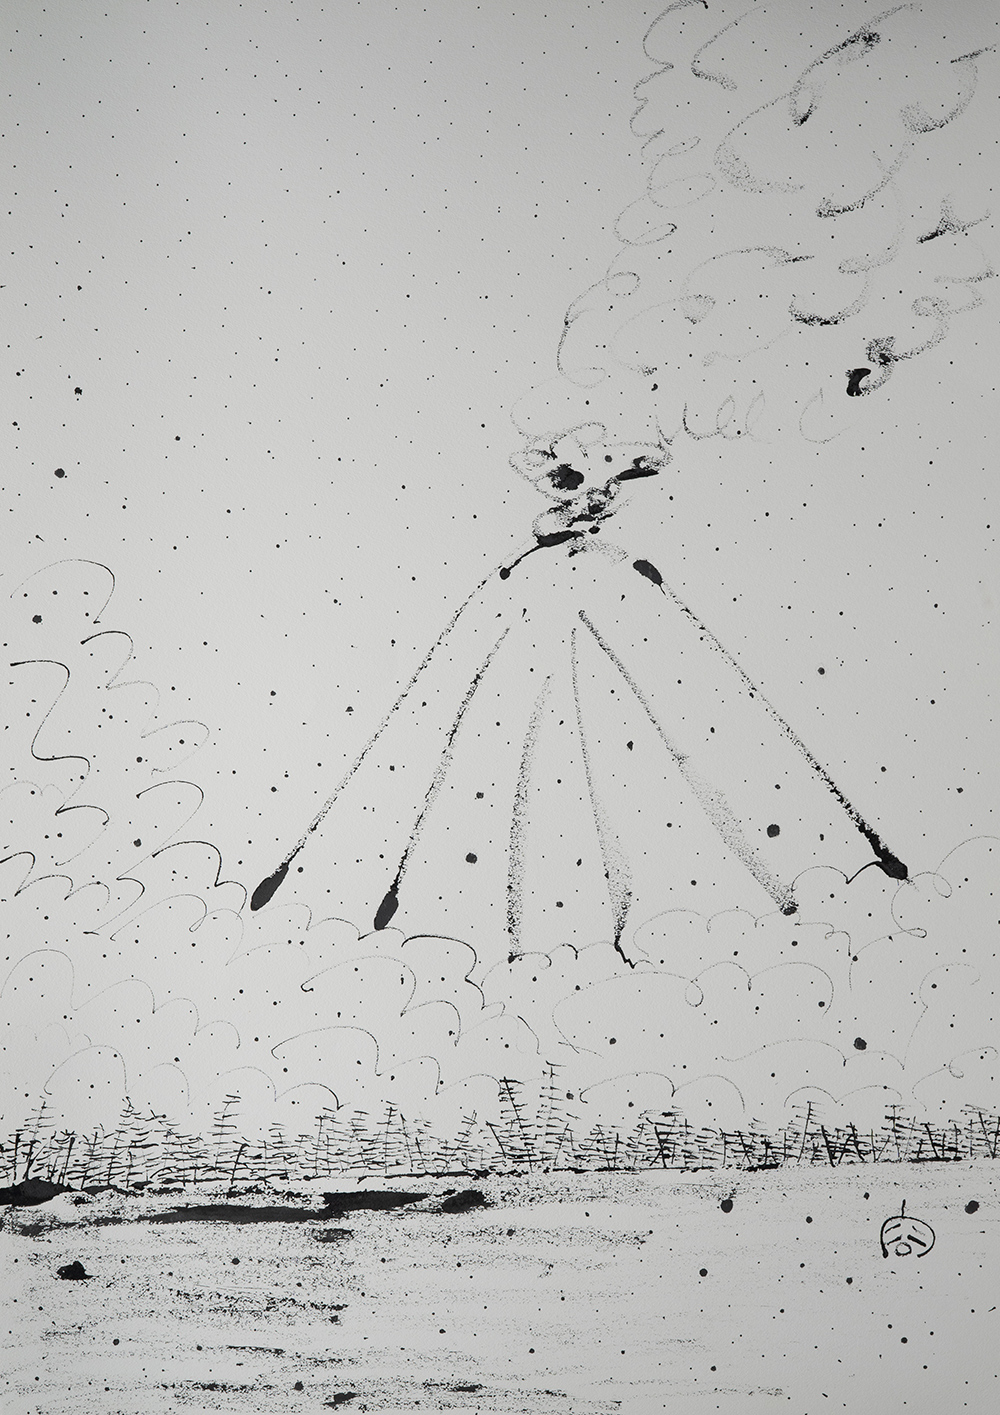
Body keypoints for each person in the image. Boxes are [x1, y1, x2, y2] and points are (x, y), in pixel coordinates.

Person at [252, 424, 906, 963]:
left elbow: (686, 671)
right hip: (534, 680)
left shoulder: (608, 570)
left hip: (616, 689)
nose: (596, 494)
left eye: (611, 481)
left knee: (661, 764)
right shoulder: (530, 571)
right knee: (526, 775)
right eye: (573, 479)